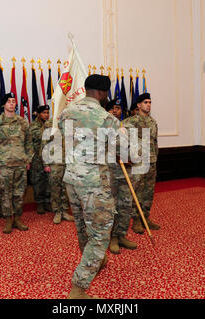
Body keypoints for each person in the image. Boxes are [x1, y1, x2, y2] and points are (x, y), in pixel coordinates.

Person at [59, 74, 119, 299]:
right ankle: (79, 287)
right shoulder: (107, 118)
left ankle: (95, 259)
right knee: (100, 234)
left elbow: (65, 136)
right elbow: (122, 148)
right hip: (94, 183)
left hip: (71, 179)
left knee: (83, 226)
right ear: (103, 93)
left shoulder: (66, 112)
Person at [0, 92, 33, 234]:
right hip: (4, 165)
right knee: (5, 194)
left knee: (19, 194)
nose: (12, 104)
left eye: (14, 101)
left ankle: (17, 219)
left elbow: (29, 143)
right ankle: (8, 220)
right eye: (9, 101)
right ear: (3, 105)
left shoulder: (22, 122)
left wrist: (28, 159)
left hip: (20, 164)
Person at [104, 99, 138, 254]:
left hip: (126, 173)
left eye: (117, 108)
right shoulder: (102, 128)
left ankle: (121, 235)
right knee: (111, 208)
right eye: (111, 109)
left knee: (125, 206)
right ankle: (111, 238)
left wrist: (132, 156)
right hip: (110, 174)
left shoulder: (127, 127)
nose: (115, 111)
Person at [124, 93, 160, 234]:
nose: (148, 105)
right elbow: (123, 141)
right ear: (138, 105)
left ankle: (145, 217)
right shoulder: (130, 122)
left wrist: (155, 157)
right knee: (137, 192)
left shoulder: (153, 122)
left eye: (150, 102)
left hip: (151, 161)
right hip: (138, 163)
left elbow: (155, 142)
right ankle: (137, 220)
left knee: (148, 192)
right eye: (145, 102)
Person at [41, 118, 74, 224]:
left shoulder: (70, 122)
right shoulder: (50, 123)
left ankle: (65, 211)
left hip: (68, 161)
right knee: (55, 187)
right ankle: (57, 212)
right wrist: (45, 163)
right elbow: (44, 144)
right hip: (54, 161)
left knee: (66, 188)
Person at [28, 105, 52, 214]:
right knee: (38, 181)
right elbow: (41, 136)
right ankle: (40, 203)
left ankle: (47, 201)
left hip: (49, 157)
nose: (46, 115)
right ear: (38, 114)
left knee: (48, 181)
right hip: (37, 158)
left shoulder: (50, 125)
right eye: (44, 113)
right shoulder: (33, 126)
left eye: (47, 113)